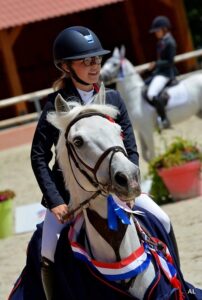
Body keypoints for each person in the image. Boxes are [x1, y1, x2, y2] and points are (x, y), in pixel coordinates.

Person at [30, 26, 175, 300]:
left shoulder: (113, 98)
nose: (94, 66)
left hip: (118, 187)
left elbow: (130, 147)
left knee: (163, 219)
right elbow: (38, 156)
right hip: (70, 196)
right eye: (86, 61)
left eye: (96, 59)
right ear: (65, 66)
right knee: (46, 250)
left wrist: (131, 185)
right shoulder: (55, 106)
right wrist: (55, 200)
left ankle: (177, 285)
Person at [146, 16, 178, 130]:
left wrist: (156, 64)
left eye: (157, 31)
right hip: (159, 72)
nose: (156, 33)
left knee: (152, 93)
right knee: (144, 85)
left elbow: (170, 62)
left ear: (164, 29)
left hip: (166, 73)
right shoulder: (161, 42)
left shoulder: (170, 42)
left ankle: (164, 120)